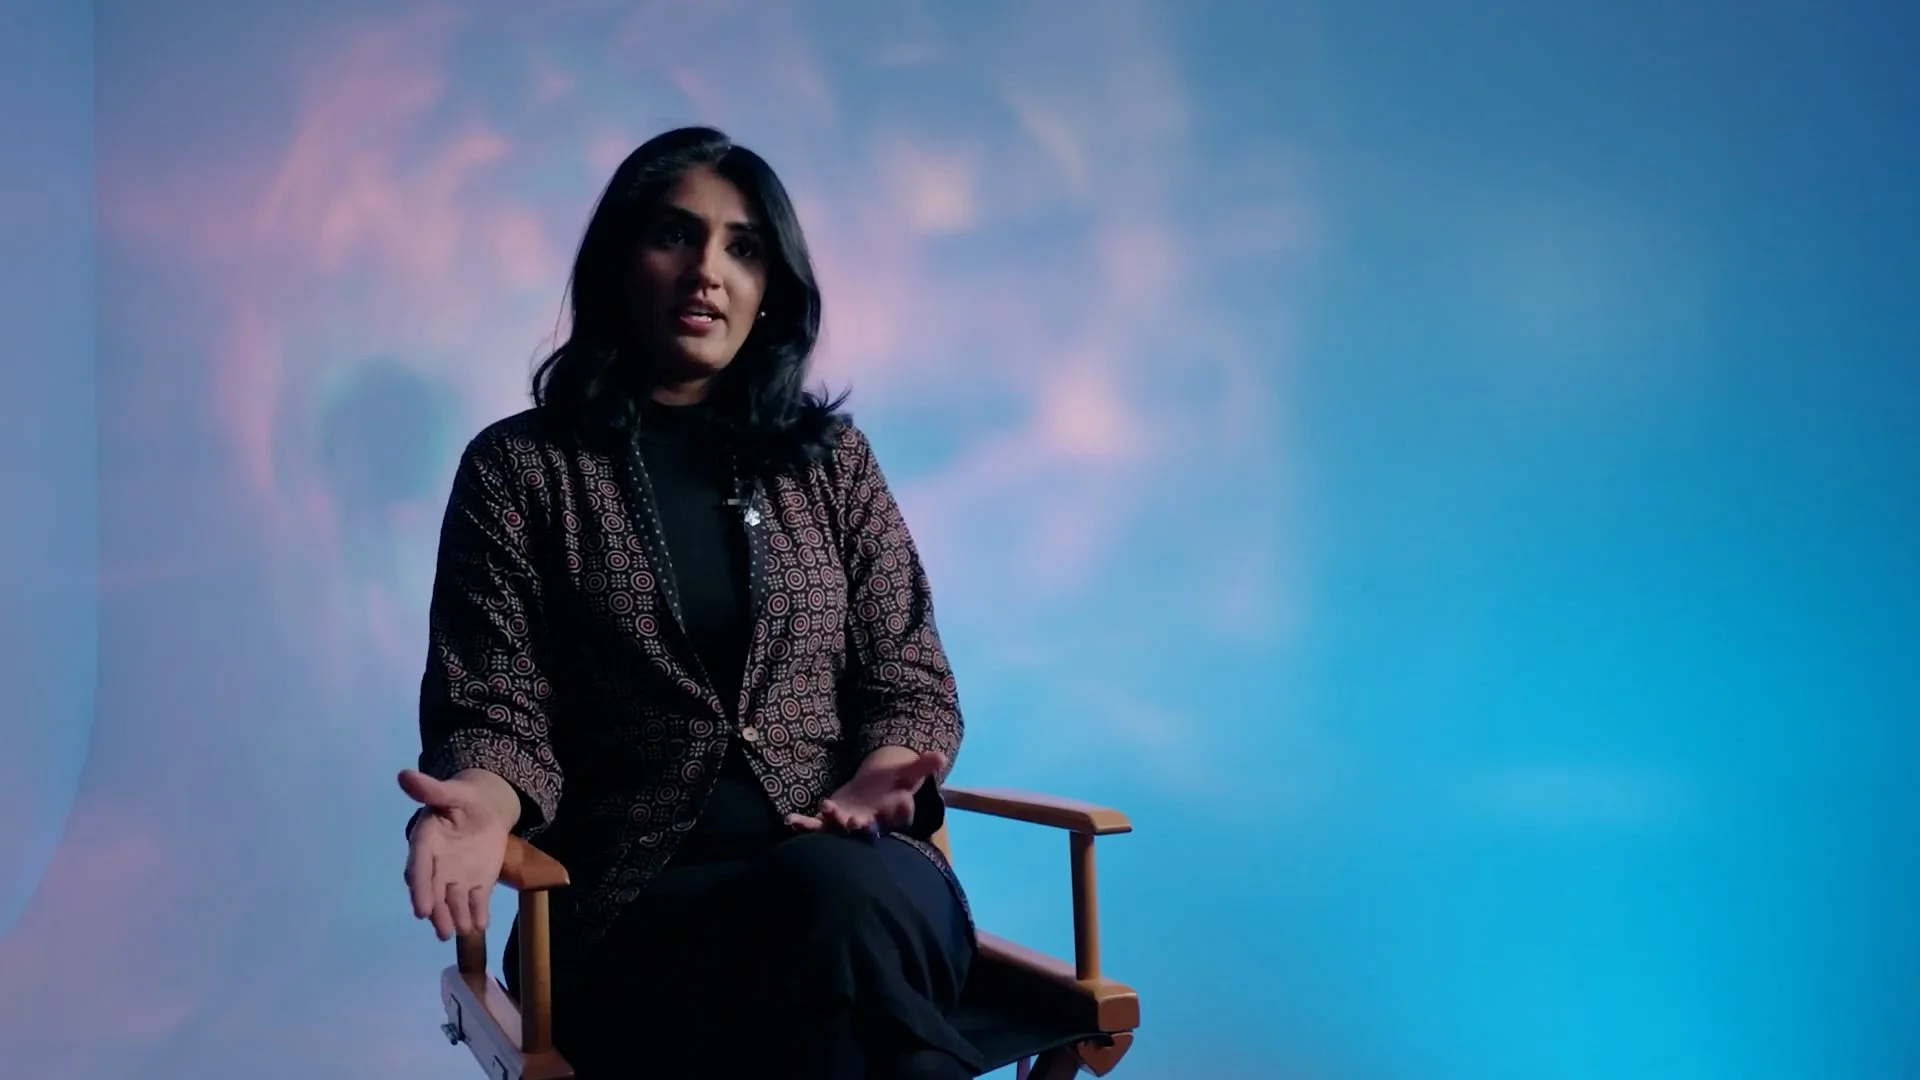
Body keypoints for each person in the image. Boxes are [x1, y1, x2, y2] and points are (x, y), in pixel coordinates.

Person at [397, 126, 980, 1079]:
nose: (707, 269)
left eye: (743, 248)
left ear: (770, 292)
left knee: (832, 898)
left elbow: (906, 674)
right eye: (675, 235)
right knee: (868, 1035)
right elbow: (492, 710)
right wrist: (481, 806)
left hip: (862, 882)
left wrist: (883, 774)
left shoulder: (833, 464)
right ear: (621, 261)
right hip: (639, 916)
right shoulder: (518, 472)